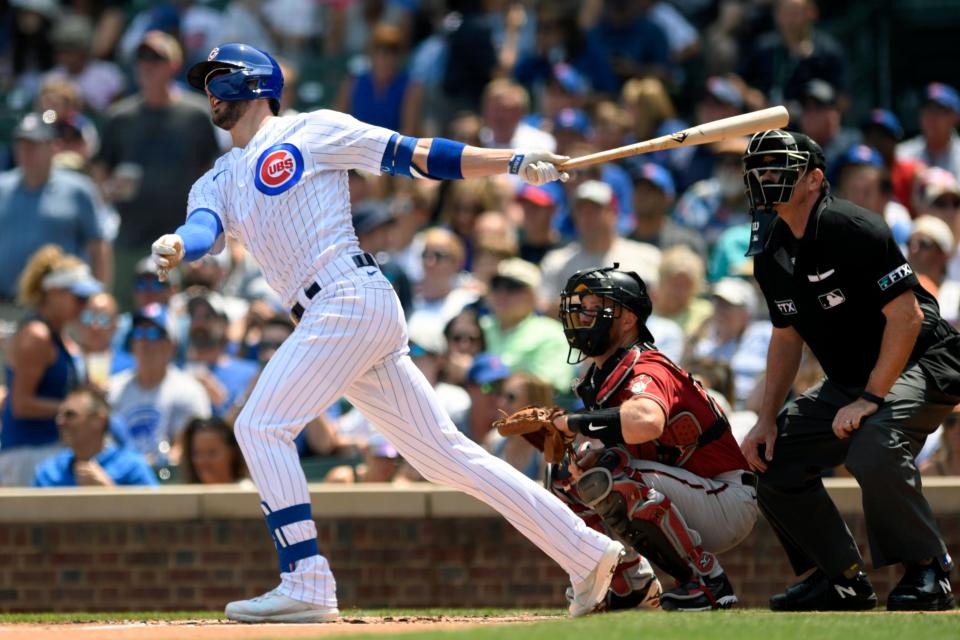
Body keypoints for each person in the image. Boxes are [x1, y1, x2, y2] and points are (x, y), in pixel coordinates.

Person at [150, 42, 626, 623]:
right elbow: (203, 226)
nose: (210, 92)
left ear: (253, 84)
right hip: (335, 314)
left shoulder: (313, 129)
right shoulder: (218, 176)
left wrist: (510, 159)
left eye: (219, 79)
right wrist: (179, 242)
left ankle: (306, 580)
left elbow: (416, 155)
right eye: (206, 83)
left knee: (258, 424)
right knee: (446, 457)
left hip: (348, 296)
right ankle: (588, 553)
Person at [739, 129, 960, 611]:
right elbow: (785, 337)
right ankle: (840, 579)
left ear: (815, 179)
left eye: (779, 168)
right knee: (768, 459)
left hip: (924, 361)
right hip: (851, 380)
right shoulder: (770, 250)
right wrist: (764, 419)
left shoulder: (855, 227)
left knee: (873, 444)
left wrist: (870, 398)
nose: (764, 177)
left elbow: (907, 318)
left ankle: (929, 569)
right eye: (760, 169)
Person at [550, 265, 758, 612]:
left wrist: (575, 422)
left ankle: (707, 581)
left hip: (725, 495)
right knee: (568, 479)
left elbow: (646, 421)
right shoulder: (602, 375)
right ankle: (628, 581)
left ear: (627, 319)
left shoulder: (646, 365)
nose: (583, 316)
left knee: (615, 475)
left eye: (594, 307)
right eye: (579, 307)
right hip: (686, 490)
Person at [0, 245, 102, 486]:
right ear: (54, 293)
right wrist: (74, 410)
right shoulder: (36, 336)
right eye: (78, 298)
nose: (84, 305)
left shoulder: (65, 338)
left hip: (52, 453)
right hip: (27, 456)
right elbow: (21, 404)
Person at [0, 112, 111, 305]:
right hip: (6, 302)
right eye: (22, 144)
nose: (26, 151)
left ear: (53, 147)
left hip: (62, 305)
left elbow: (98, 246)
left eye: (34, 145)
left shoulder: (78, 189)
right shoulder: (2, 187)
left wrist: (99, 294)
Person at [108, 303, 212, 465]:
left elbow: (189, 446)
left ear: (172, 345)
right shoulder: (113, 388)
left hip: (168, 480)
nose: (144, 341)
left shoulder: (189, 390)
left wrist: (152, 465)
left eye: (153, 334)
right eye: (138, 333)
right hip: (121, 479)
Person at [34, 386, 157, 487]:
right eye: (59, 415)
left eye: (70, 415)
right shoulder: (49, 472)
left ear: (98, 420)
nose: (60, 422)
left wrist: (108, 489)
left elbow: (154, 513)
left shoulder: (132, 467)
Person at [179, 416, 248, 485]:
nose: (203, 462)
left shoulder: (250, 492)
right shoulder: (181, 493)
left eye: (212, 453)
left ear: (232, 453)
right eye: (197, 454)